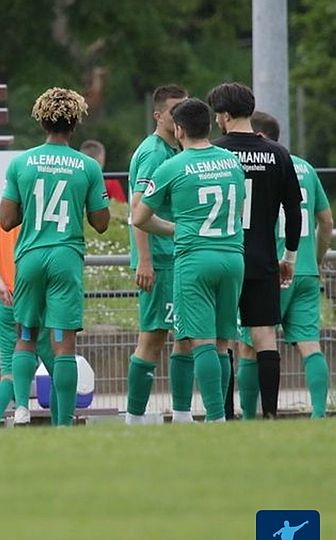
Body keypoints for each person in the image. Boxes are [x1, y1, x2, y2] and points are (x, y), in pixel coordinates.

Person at [0, 87, 110, 427]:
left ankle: (21, 408)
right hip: (65, 257)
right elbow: (101, 223)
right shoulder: (87, 165)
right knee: (64, 345)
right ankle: (63, 423)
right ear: (75, 124)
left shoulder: (21, 163)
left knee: (26, 336)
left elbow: (6, 221)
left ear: (41, 122)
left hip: (30, 256)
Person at [133, 98, 245, 422]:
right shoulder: (232, 162)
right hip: (232, 257)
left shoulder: (173, 166)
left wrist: (174, 229)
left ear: (179, 130)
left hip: (195, 259)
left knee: (201, 342)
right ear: (208, 126)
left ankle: (215, 417)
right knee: (223, 342)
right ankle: (221, 417)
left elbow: (139, 217)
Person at [209, 82, 302, 418]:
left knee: (223, 338)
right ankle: (271, 414)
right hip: (263, 257)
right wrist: (289, 257)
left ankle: (224, 414)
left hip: (224, 255)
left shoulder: (214, 154)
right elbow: (294, 211)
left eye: (217, 115)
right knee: (264, 336)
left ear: (225, 115)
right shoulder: (278, 154)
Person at [237, 111, 332, 419]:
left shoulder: (259, 166)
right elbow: (326, 221)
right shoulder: (305, 167)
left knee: (251, 344)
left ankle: (248, 417)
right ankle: (319, 414)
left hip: (272, 267)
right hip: (305, 268)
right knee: (310, 344)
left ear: (258, 136)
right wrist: (316, 260)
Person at [123, 85, 195, 424]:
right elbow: (137, 209)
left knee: (185, 336)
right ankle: (134, 418)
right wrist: (145, 260)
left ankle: (182, 415)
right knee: (153, 337)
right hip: (161, 260)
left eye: (185, 108)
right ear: (158, 115)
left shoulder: (176, 148)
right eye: (174, 109)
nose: (180, 115)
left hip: (177, 257)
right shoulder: (153, 153)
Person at [0, 208, 56, 429]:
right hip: (37, 299)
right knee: (58, 369)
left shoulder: (1, 213)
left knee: (8, 376)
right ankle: (62, 425)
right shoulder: (40, 209)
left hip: (8, 299)